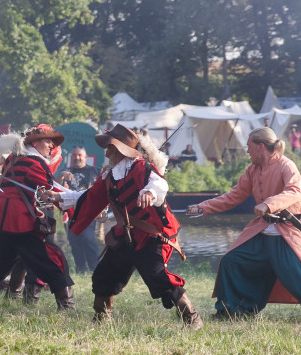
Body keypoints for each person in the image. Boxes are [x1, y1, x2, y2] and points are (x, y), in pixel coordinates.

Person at [187, 127, 301, 321]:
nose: (247, 151)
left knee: (300, 277)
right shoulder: (252, 170)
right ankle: (231, 310)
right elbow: (234, 195)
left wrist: (268, 205)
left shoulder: (286, 165)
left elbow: (294, 191)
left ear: (260, 147)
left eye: (249, 147)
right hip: (262, 232)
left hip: (287, 232)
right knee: (232, 260)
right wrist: (203, 207)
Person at [53, 124, 203, 328]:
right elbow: (89, 197)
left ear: (120, 150)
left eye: (110, 148)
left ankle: (192, 318)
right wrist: (58, 197)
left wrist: (150, 192)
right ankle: (101, 319)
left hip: (151, 235)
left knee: (157, 276)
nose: (106, 152)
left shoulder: (141, 167)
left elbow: (160, 184)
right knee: (104, 275)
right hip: (126, 235)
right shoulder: (109, 175)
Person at [0, 125, 75, 309]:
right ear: (35, 142)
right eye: (48, 141)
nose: (51, 146)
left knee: (2, 263)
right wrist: (78, 202)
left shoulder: (16, 159)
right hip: (16, 220)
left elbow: (29, 191)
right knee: (53, 259)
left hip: (4, 217)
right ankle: (67, 306)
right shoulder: (33, 162)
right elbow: (51, 190)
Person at [58, 145, 101, 274]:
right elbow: (56, 187)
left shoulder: (94, 171)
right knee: (75, 242)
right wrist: (62, 175)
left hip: (88, 212)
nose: (77, 158)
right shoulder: (66, 171)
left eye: (80, 155)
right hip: (71, 213)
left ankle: (95, 269)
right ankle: (80, 271)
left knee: (88, 240)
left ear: (85, 157)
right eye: (75, 155)